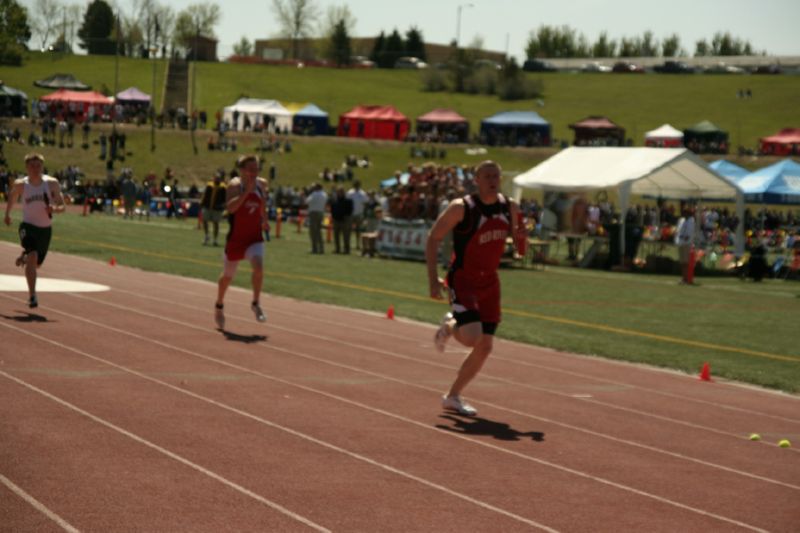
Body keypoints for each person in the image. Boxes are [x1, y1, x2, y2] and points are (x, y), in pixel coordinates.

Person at [425, 161, 518, 416]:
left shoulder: (509, 207)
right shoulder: (462, 208)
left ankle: (452, 396)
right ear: (476, 179)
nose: (492, 179)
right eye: (487, 175)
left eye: (496, 175)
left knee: (485, 346)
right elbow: (433, 238)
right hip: (463, 279)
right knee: (471, 338)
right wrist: (433, 280)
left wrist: (522, 239)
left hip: (490, 282)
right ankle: (451, 325)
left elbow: (521, 241)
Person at [3, 153, 66, 308]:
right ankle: (32, 296)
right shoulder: (21, 185)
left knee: (36, 264)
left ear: (42, 167)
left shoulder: (52, 184)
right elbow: (12, 197)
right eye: (32, 166)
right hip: (27, 226)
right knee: (33, 255)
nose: (35, 168)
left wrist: (55, 209)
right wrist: (7, 214)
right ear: (26, 168)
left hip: (45, 230)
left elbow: (62, 206)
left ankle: (25, 257)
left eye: (38, 165)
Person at [214, 154, 269, 329]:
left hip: (254, 237)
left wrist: (264, 219)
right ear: (242, 170)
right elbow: (231, 208)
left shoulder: (262, 184)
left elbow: (262, 204)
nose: (254, 173)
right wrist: (246, 192)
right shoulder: (235, 186)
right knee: (227, 278)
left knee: (259, 268)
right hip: (236, 239)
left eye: (257, 169)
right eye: (251, 169)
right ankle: (219, 305)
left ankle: (255, 302)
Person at [201, 169, 227, 246]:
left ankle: (215, 239)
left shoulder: (223, 187)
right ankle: (206, 236)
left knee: (216, 223)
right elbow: (205, 195)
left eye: (218, 178)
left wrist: (223, 205)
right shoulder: (209, 185)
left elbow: (225, 198)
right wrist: (202, 203)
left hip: (217, 208)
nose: (217, 179)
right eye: (216, 177)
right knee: (205, 221)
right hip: (207, 207)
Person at [675, 205, 696, 284]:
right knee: (682, 262)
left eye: (685, 212)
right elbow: (678, 230)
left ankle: (687, 278)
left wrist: (684, 237)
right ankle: (684, 278)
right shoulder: (681, 220)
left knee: (686, 262)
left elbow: (689, 233)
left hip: (687, 243)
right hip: (681, 242)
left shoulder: (691, 221)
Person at [330, 186, 353, 254]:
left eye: (340, 192)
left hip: (345, 220)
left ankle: (347, 250)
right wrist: (333, 217)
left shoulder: (348, 201)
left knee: (346, 236)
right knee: (336, 235)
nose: (339, 193)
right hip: (336, 220)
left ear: (343, 192)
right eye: (338, 192)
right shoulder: (334, 200)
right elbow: (332, 209)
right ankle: (337, 249)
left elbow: (350, 210)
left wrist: (346, 217)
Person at [347, 180, 369, 251]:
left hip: (359, 214)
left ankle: (358, 244)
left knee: (358, 230)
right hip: (351, 214)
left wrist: (364, 214)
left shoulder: (362, 193)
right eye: (355, 184)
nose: (356, 185)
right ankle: (348, 243)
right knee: (349, 230)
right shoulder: (350, 192)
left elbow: (365, 203)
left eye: (357, 184)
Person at [306, 182, 328, 254]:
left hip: (313, 213)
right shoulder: (324, 194)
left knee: (313, 232)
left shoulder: (314, 194)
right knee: (319, 232)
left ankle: (314, 248)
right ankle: (321, 248)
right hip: (321, 213)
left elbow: (307, 201)